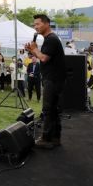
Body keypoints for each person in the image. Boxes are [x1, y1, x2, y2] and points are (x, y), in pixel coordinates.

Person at [25, 14, 66, 149]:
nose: (35, 27)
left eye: (38, 24)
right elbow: (42, 56)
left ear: (47, 24)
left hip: (52, 79)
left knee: (48, 109)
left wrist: (35, 49)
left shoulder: (51, 39)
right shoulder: (51, 39)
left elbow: (43, 58)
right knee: (53, 109)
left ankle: (46, 139)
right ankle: (55, 138)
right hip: (54, 79)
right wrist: (33, 50)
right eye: (34, 25)